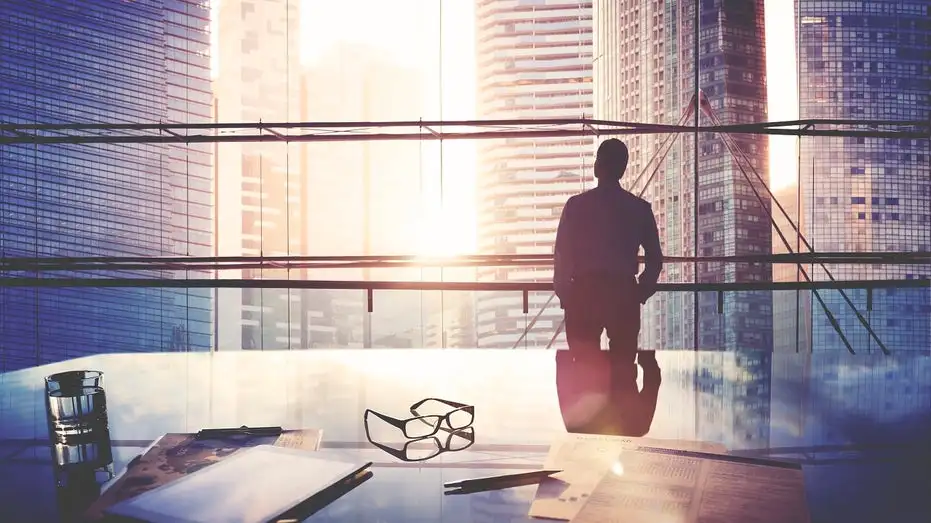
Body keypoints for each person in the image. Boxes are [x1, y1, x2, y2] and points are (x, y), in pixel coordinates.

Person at [553, 138, 663, 377]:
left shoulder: (575, 206)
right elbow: (655, 258)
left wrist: (566, 294)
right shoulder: (639, 209)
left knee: (583, 371)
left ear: (597, 166)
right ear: (622, 169)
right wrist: (639, 292)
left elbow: (562, 255)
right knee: (623, 369)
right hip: (623, 293)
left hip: (584, 293)